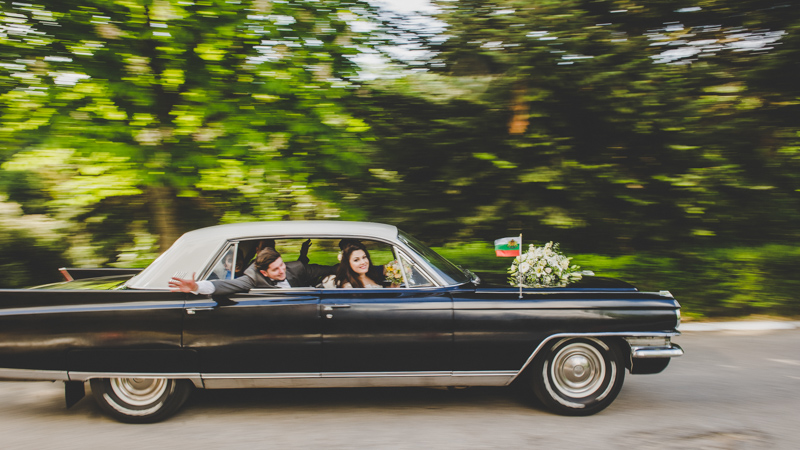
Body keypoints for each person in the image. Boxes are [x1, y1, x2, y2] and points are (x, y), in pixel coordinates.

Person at [169, 246, 334, 296]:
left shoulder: (296, 268)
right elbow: (223, 285)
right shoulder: (252, 278)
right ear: (264, 273)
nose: (282, 271)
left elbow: (325, 269)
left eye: (281, 265)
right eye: (275, 269)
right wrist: (196, 287)